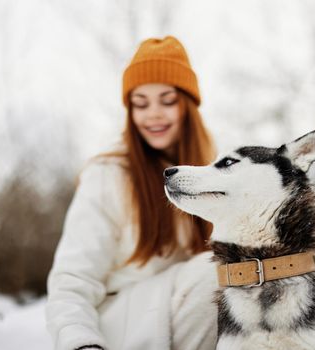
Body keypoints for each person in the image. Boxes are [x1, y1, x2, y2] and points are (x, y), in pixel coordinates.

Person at [45, 36, 219, 350]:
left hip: (183, 313)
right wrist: (81, 342)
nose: (153, 113)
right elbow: (71, 280)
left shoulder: (209, 172)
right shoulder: (108, 174)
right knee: (217, 272)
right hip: (120, 324)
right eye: (141, 103)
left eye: (167, 100)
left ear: (188, 106)